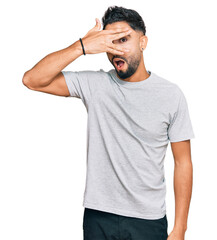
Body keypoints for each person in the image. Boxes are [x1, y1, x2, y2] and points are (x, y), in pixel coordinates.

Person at [22, 5, 195, 240]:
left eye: (123, 39)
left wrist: (180, 228)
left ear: (143, 42)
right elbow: (32, 80)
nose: (115, 50)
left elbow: (182, 161)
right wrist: (81, 47)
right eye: (109, 43)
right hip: (98, 216)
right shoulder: (96, 85)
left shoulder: (171, 95)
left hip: (148, 219)